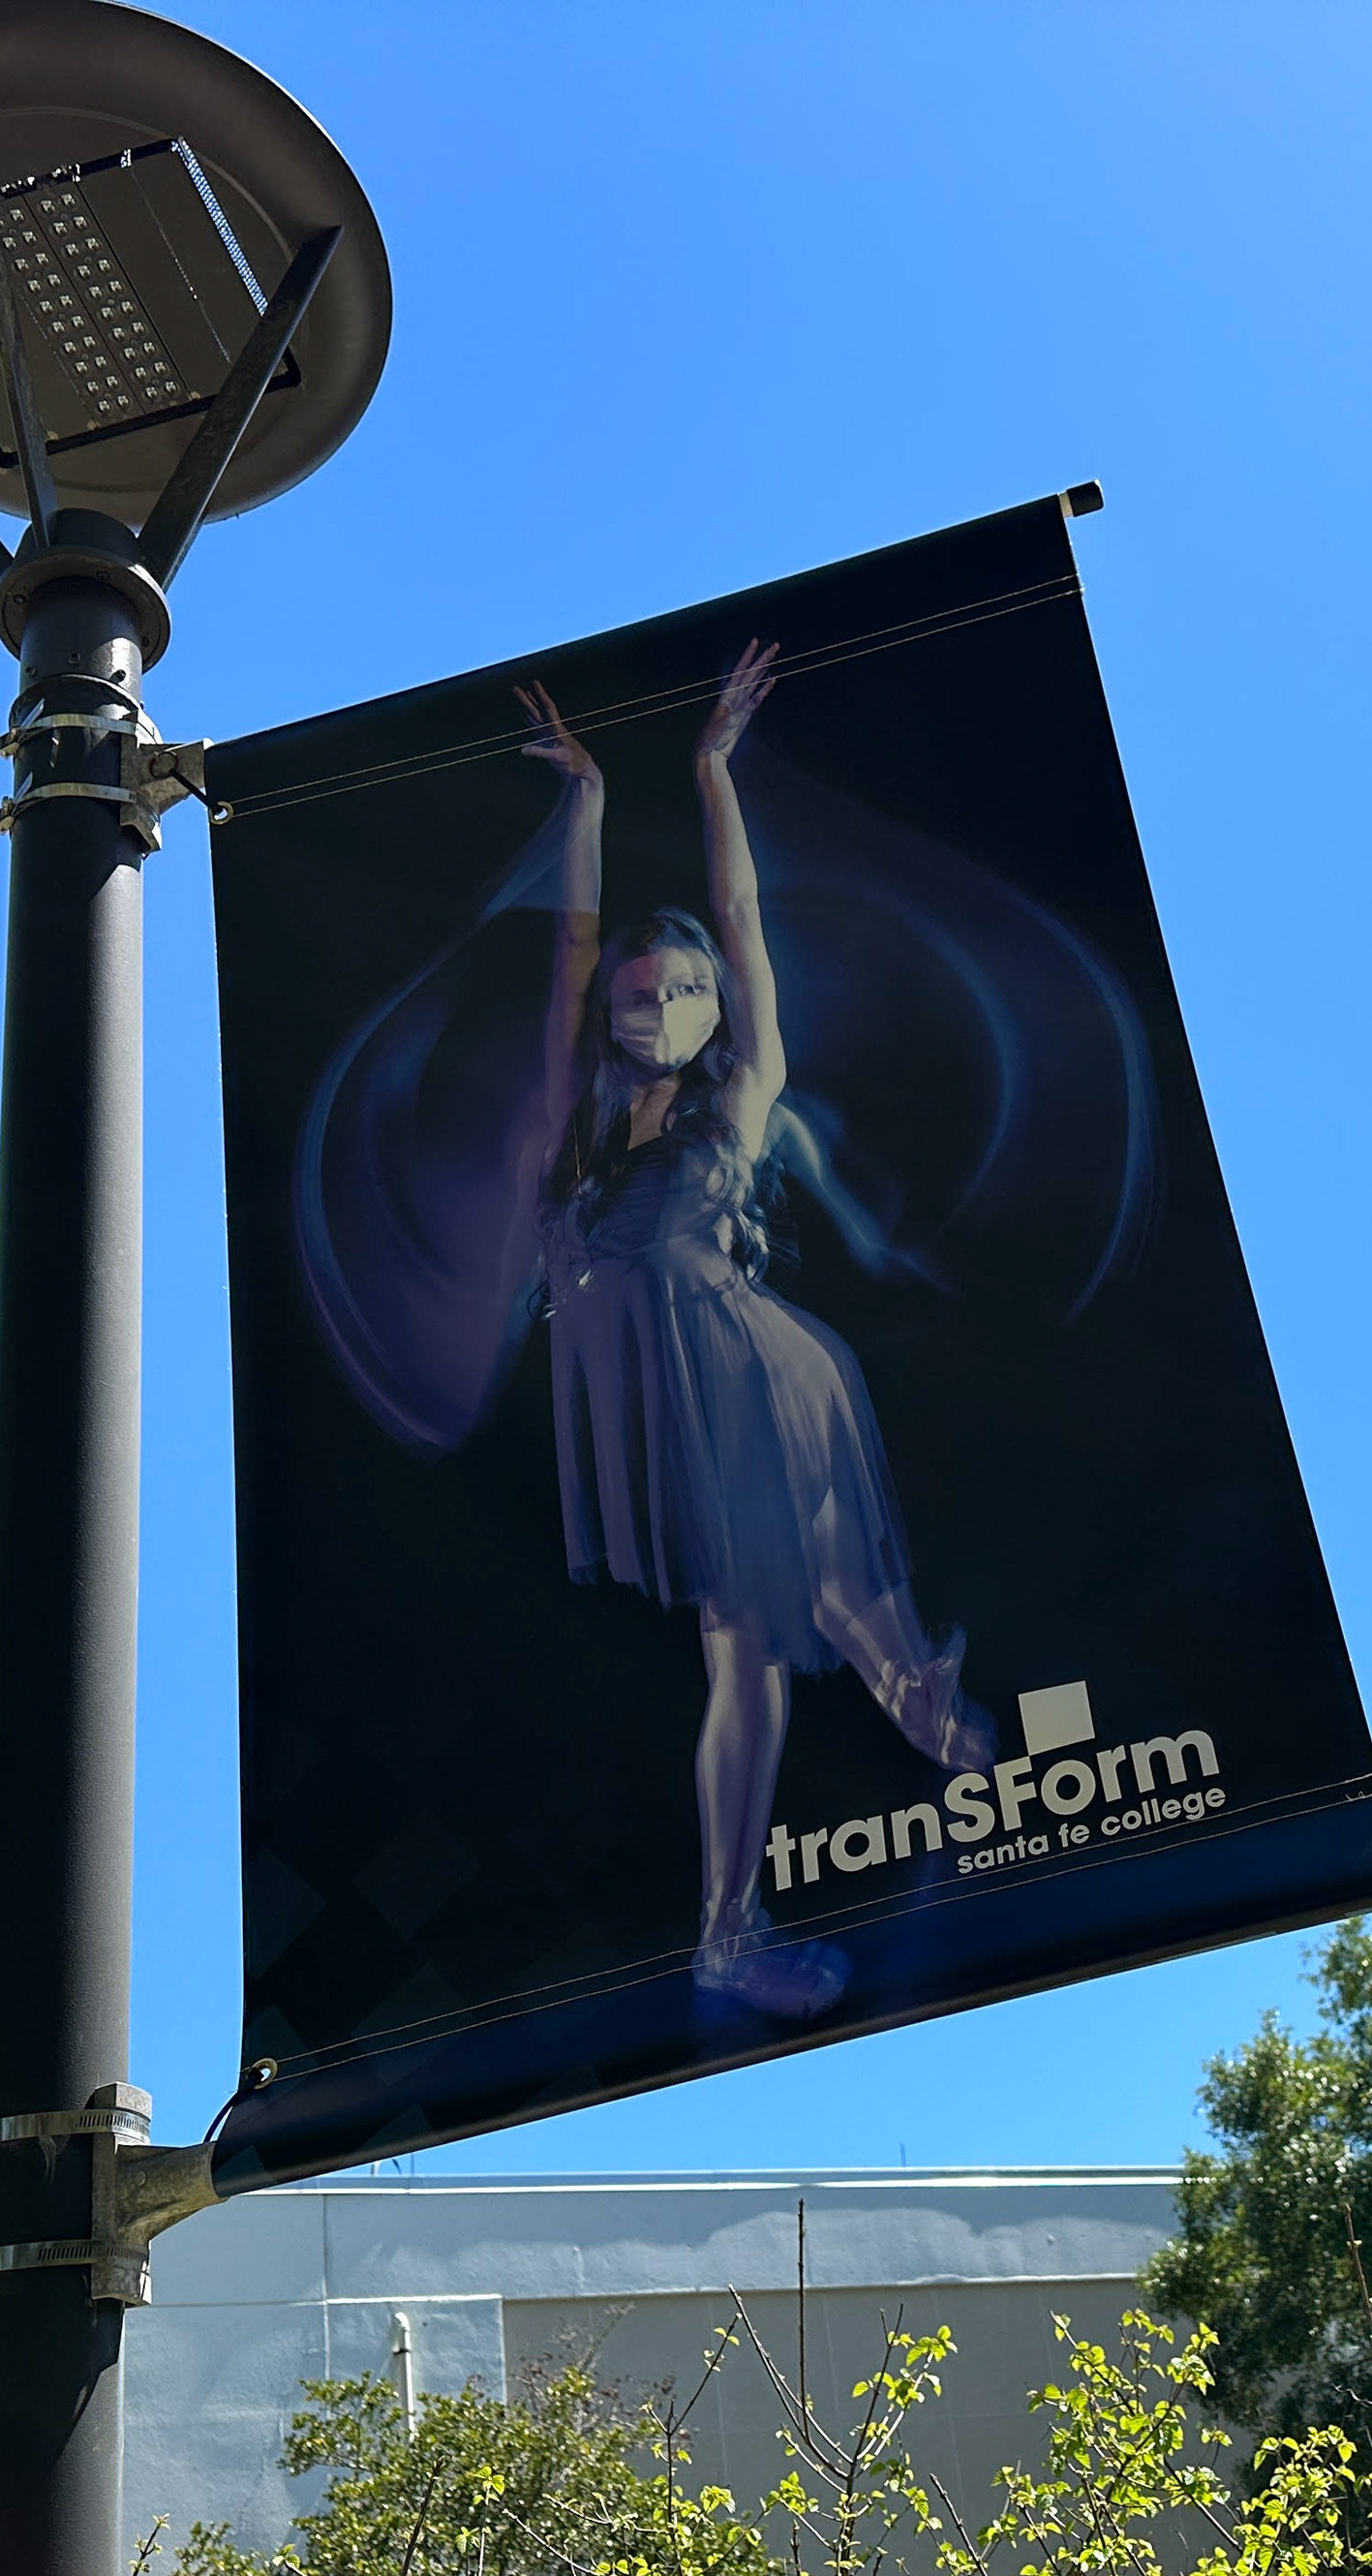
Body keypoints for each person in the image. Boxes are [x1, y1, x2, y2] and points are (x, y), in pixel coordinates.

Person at [511, 643, 995, 2018]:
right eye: (642, 993)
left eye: (687, 991)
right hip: (657, 1397)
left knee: (763, 1633)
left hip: (754, 1376)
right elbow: (570, 947)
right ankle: (924, 1723)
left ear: (718, 1004)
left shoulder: (742, 1095)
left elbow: (740, 910)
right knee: (800, 1618)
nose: (663, 1009)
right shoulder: (577, 1117)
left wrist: (713, 767)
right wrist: (589, 798)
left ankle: (741, 1920)